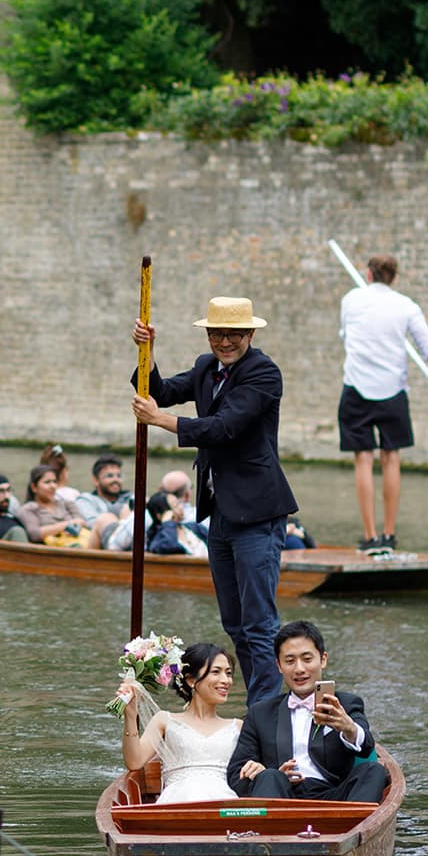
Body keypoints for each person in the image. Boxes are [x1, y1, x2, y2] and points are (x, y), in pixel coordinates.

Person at [132, 297, 298, 706]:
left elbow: (224, 428)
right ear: (208, 335)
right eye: (217, 334)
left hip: (259, 512)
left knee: (259, 623)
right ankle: (258, 706)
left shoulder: (263, 373)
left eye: (234, 334)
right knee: (235, 623)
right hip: (221, 511)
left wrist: (160, 421)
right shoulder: (207, 367)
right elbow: (161, 391)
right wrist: (146, 352)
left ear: (250, 335)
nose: (225, 342)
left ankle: (264, 715)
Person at [337, 254, 428, 554]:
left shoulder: (351, 300)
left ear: (368, 274)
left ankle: (370, 537)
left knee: (363, 459)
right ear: (394, 279)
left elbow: (346, 336)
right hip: (392, 391)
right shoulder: (406, 306)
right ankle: (389, 535)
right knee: (391, 457)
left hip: (356, 387)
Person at [228, 620, 388, 804]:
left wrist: (349, 728)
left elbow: (366, 745)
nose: (299, 669)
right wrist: (260, 772)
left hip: (333, 797)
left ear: (323, 659)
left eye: (307, 659)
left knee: (373, 771)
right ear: (279, 666)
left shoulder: (345, 703)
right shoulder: (260, 712)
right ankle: (273, 830)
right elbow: (235, 775)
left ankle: (354, 827)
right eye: (290, 661)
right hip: (280, 795)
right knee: (270, 776)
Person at [120, 643, 240, 804]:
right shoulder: (164, 721)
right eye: (216, 672)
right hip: (176, 804)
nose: (226, 680)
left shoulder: (238, 727)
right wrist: (130, 715)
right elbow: (134, 762)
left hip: (224, 804)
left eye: (228, 673)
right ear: (191, 680)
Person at [15, 464, 93, 547]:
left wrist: (56, 529)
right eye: (47, 482)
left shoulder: (66, 503)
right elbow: (35, 534)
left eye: (55, 481)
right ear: (34, 487)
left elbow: (82, 522)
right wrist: (66, 526)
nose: (53, 486)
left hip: (78, 543)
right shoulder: (28, 509)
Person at [87, 454, 138, 549]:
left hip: (135, 542)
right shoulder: (87, 499)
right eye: (110, 476)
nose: (116, 480)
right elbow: (90, 524)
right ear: (95, 480)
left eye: (119, 476)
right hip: (105, 546)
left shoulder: (130, 497)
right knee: (105, 518)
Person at [144, 489, 208, 559]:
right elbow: (169, 546)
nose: (181, 507)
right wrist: (167, 523)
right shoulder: (159, 538)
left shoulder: (194, 527)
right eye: (175, 505)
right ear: (160, 515)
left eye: (179, 503)